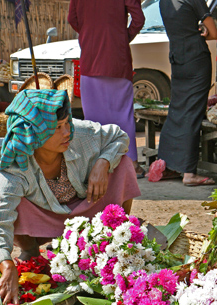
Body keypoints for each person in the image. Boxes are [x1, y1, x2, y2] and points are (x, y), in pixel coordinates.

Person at [0, 89, 141, 305]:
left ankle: (115, 237)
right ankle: (30, 249)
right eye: (57, 128)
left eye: (67, 123)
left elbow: (119, 136)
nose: (67, 132)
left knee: (122, 164)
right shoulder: (14, 169)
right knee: (9, 204)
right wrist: (6, 264)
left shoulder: (81, 135)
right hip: (45, 219)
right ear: (34, 134)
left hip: (88, 206)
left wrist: (103, 162)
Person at [67, 0, 146, 178]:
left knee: (94, 118)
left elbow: (72, 19)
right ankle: (131, 163)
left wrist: (90, 32)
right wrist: (122, 36)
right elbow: (138, 19)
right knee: (123, 115)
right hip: (117, 57)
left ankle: (96, 162)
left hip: (90, 56)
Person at [151, 0, 217, 186]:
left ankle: (167, 164)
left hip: (177, 58)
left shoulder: (163, 3)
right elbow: (214, 33)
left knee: (177, 110)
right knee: (193, 114)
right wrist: (202, 34)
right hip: (196, 58)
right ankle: (189, 173)